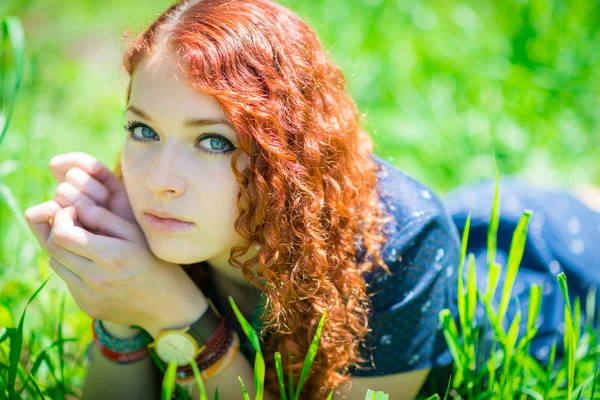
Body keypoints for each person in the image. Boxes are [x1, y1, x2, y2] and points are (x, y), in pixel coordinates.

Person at [21, 0, 600, 399]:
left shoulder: (401, 248)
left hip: (550, 270)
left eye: (214, 140)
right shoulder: (155, 208)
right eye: (143, 130)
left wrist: (174, 314)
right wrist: (118, 309)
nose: (161, 179)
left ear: (286, 152)